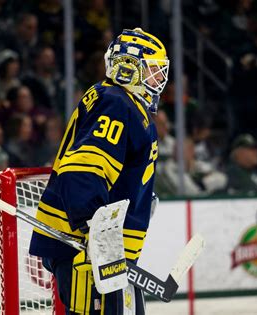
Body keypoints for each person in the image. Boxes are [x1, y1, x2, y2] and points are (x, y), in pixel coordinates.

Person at [29, 28, 169, 314]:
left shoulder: (123, 104)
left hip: (107, 253)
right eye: (153, 71)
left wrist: (139, 198)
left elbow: (118, 168)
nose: (159, 80)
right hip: (88, 250)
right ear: (129, 69)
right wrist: (95, 229)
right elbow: (84, 168)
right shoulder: (116, 103)